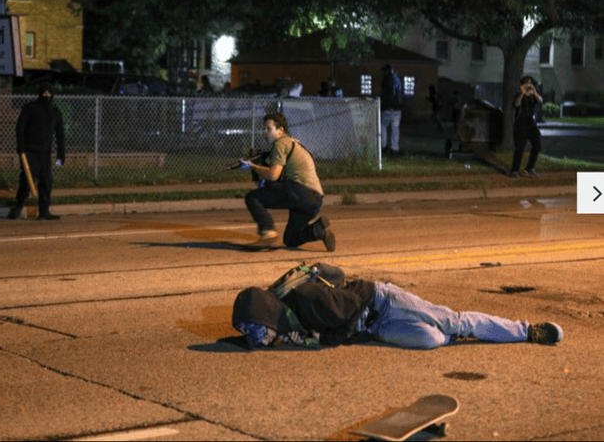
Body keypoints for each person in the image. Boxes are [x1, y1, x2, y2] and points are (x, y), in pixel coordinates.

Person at [232, 263, 564, 350]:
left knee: (454, 321)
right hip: (374, 327)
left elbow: (351, 305)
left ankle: (526, 331)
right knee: (431, 340)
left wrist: (321, 339)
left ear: (265, 316)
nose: (259, 340)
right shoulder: (279, 315)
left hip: (382, 302)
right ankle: (458, 334)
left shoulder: (308, 300)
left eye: (259, 332)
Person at [237, 112, 336, 251]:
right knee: (290, 239)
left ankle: (267, 233)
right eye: (264, 129)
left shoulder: (280, 143)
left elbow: (273, 175)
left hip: (300, 192)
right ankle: (318, 231)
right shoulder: (295, 142)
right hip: (315, 199)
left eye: (269, 129)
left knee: (253, 197)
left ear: (280, 130)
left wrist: (252, 166)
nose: (265, 133)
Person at [8, 82, 66, 220]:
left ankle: (44, 211)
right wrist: (21, 148)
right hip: (30, 152)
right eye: (44, 93)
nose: (46, 96)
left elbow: (60, 134)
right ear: (40, 94)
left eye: (49, 93)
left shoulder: (55, 112)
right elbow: (20, 128)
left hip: (45, 153)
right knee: (26, 181)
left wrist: (61, 154)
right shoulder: (30, 108)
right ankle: (18, 205)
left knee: (46, 182)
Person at [509, 75, 543, 179]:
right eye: (527, 83)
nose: (529, 85)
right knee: (520, 147)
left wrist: (534, 91)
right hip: (521, 124)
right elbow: (516, 104)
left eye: (530, 83)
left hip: (531, 124)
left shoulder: (533, 97)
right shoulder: (519, 96)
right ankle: (514, 170)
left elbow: (540, 101)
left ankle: (530, 168)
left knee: (537, 145)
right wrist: (522, 93)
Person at [379, 64, 403, 156]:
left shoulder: (387, 80)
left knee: (383, 125)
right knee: (395, 128)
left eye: (384, 71)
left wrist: (383, 103)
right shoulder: (398, 78)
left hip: (387, 107)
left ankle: (383, 146)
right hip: (397, 108)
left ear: (387, 71)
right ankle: (394, 147)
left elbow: (386, 94)